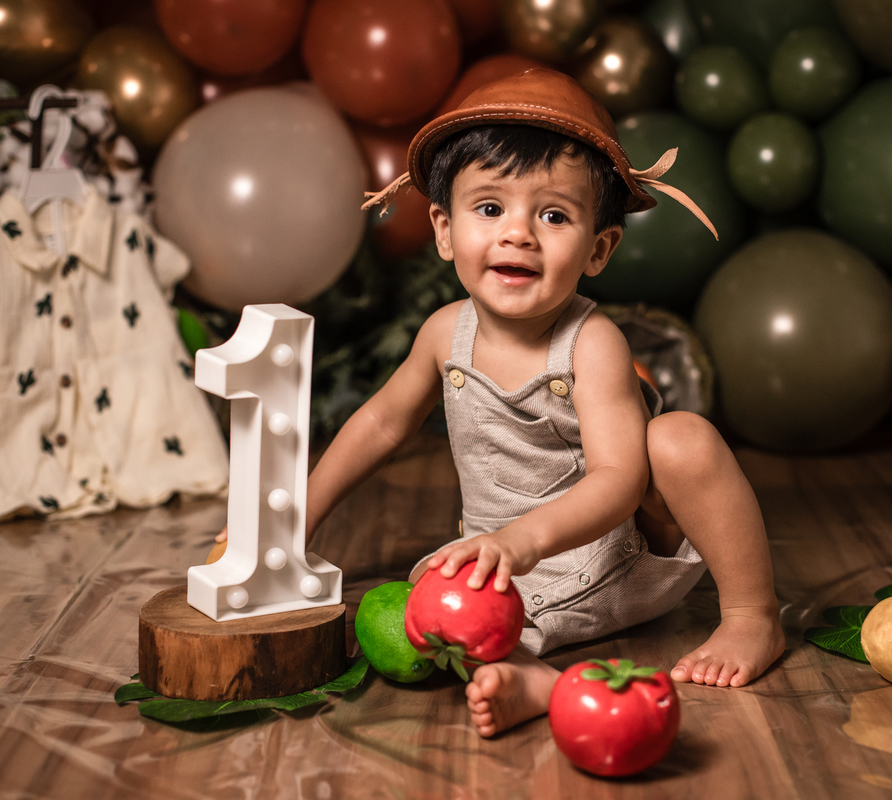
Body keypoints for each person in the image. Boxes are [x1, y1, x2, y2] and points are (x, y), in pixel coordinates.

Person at [222, 69, 783, 737]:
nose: (518, 233)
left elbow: (618, 478)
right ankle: (525, 674)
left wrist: (525, 539)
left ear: (599, 248)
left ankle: (752, 615)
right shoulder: (443, 333)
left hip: (604, 552)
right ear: (444, 229)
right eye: (490, 209)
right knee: (429, 621)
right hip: (500, 554)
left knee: (679, 438)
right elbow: (378, 424)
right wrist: (296, 517)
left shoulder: (591, 343)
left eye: (553, 215)